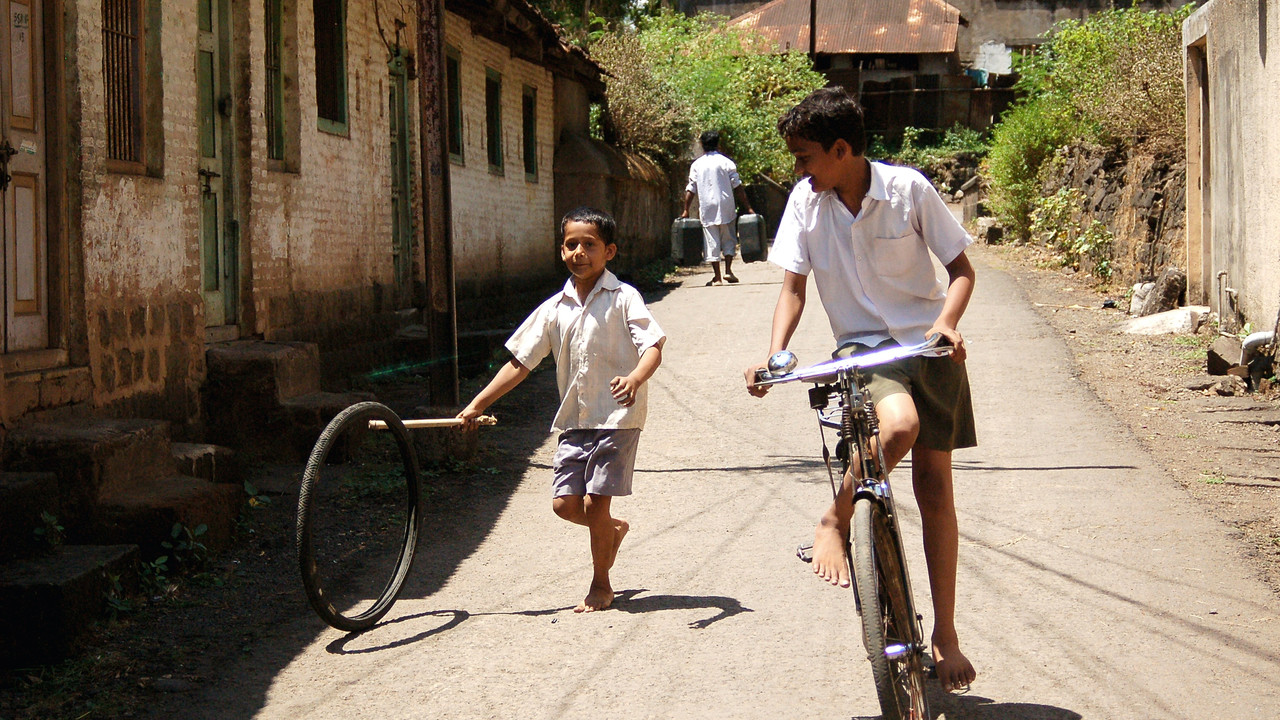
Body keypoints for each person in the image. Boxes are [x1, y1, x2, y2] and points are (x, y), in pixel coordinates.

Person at [743, 87, 978, 692]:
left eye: (804, 157)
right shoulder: (806, 202)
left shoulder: (908, 190)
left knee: (935, 495)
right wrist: (776, 353)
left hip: (929, 347)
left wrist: (947, 323)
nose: (798, 169)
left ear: (841, 149)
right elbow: (792, 289)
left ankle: (945, 636)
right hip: (863, 349)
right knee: (897, 426)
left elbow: (960, 269)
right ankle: (835, 517)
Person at [458, 207, 666, 613]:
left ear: (609, 252)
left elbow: (653, 346)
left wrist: (635, 380)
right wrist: (476, 404)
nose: (579, 252)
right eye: (572, 244)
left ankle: (601, 584)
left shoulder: (625, 299)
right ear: (561, 250)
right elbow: (520, 362)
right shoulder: (555, 308)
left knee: (594, 504)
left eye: (590, 245)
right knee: (565, 506)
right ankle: (612, 531)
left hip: (618, 418)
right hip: (574, 421)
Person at [681, 130, 755, 286]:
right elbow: (738, 187)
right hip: (726, 205)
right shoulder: (726, 162)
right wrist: (748, 207)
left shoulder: (697, 165)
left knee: (711, 241)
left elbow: (691, 189)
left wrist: (686, 209)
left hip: (707, 207)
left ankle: (717, 277)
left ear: (702, 145)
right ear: (718, 143)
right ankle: (728, 270)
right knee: (729, 238)